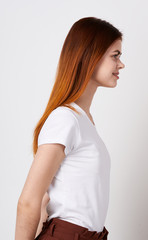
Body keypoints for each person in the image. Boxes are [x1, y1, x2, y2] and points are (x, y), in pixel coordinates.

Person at [15, 17, 125, 240]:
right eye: (115, 56)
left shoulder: (83, 121)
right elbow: (28, 201)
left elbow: (49, 197)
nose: (121, 64)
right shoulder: (65, 118)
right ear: (90, 57)